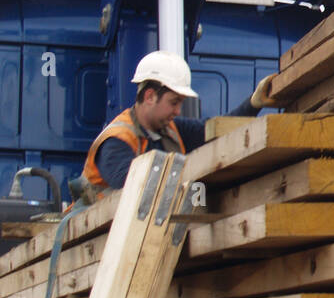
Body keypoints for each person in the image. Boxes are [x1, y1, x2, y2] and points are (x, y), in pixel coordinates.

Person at [77, 50, 276, 197]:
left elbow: (216, 131)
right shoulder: (117, 140)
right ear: (150, 96)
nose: (178, 111)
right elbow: (130, 183)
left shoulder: (172, 129)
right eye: (174, 103)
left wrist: (253, 103)